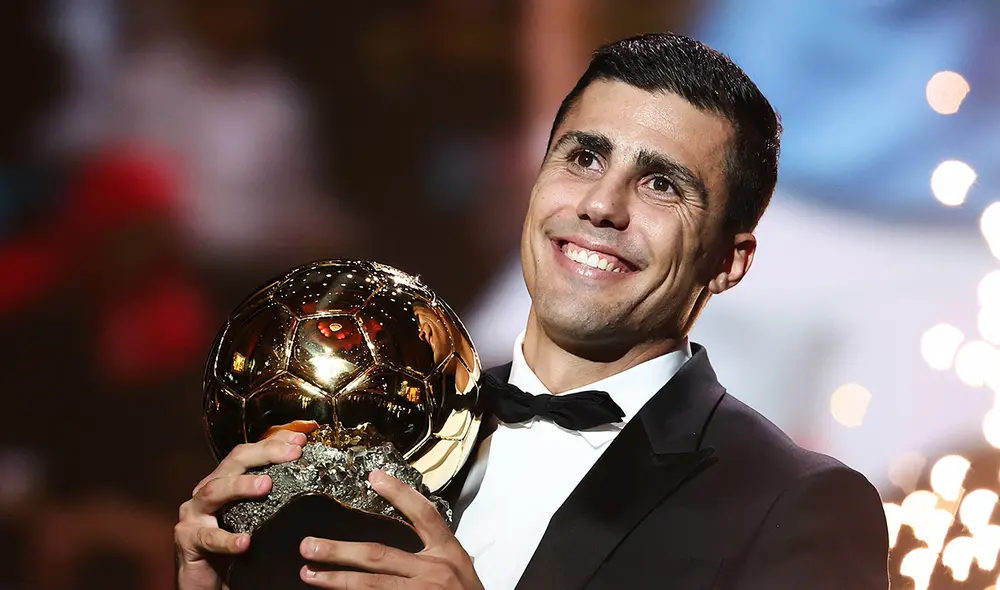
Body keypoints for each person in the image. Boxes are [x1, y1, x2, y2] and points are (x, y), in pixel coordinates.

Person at [173, 33, 890, 589]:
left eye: (662, 185)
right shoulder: (371, 422)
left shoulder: (793, 505)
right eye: (582, 158)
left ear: (729, 262)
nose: (601, 206)